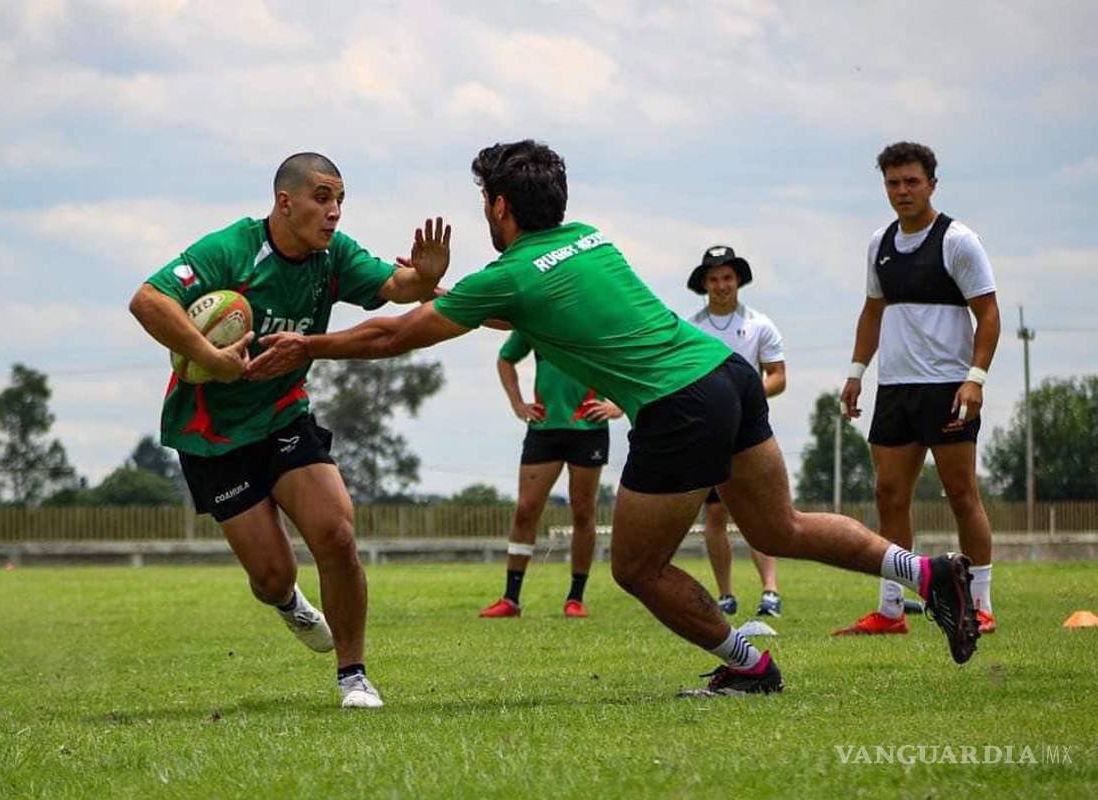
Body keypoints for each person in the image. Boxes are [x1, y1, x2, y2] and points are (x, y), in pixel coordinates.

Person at [247, 140, 980, 697]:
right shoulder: (590, 237)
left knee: (634, 567)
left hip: (677, 405)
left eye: (485, 204)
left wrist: (308, 344)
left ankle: (749, 666)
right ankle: (928, 570)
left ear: (499, 208)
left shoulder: (505, 273)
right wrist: (435, 290)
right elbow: (514, 304)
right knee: (778, 527)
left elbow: (392, 335)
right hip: (728, 378)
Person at [129, 152, 451, 708]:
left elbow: (397, 288)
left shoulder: (334, 257)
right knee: (273, 577)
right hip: (214, 436)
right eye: (322, 198)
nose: (334, 213)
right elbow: (148, 300)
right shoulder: (232, 248)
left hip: (283, 415)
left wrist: (424, 276)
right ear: (285, 202)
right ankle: (290, 603)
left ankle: (354, 676)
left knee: (337, 532)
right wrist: (213, 355)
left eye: (340, 200)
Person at [837, 141, 1000, 636]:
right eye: (893, 182)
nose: (902, 191)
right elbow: (872, 311)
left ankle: (979, 604)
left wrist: (975, 380)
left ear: (932, 183)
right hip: (896, 389)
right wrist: (856, 372)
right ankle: (891, 610)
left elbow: (988, 314)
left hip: (948, 387)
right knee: (889, 495)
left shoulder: (958, 241)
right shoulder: (879, 243)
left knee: (960, 494)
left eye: (911, 181)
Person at [478, 330, 623, 619]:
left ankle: (575, 598)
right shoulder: (534, 319)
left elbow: (627, 361)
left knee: (583, 511)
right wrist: (517, 403)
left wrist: (617, 406)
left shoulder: (596, 319)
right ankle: (510, 599)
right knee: (525, 509)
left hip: (588, 430)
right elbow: (505, 359)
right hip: (544, 428)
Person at [685, 245, 786, 618]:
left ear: (738, 280)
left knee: (758, 513)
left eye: (727, 277)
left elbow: (778, 376)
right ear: (704, 283)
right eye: (714, 279)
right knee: (715, 516)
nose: (722, 285)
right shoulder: (692, 328)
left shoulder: (760, 324)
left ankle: (770, 591)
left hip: (749, 430)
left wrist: (745, 394)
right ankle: (725, 593)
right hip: (708, 434)